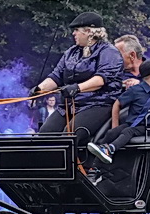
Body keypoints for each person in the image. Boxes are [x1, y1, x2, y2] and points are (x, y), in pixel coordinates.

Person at [30, 11, 126, 146]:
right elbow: (56, 76)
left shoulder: (109, 52)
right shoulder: (71, 52)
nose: (73, 34)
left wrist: (77, 88)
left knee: (69, 136)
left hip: (98, 104)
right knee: (45, 134)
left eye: (76, 30)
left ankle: (72, 166)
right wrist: (39, 89)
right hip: (69, 106)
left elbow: (102, 78)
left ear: (88, 32)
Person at [87, 59, 150, 164]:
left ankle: (110, 149)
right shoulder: (135, 90)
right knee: (112, 132)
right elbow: (118, 103)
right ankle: (95, 164)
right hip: (133, 124)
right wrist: (115, 124)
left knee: (128, 132)